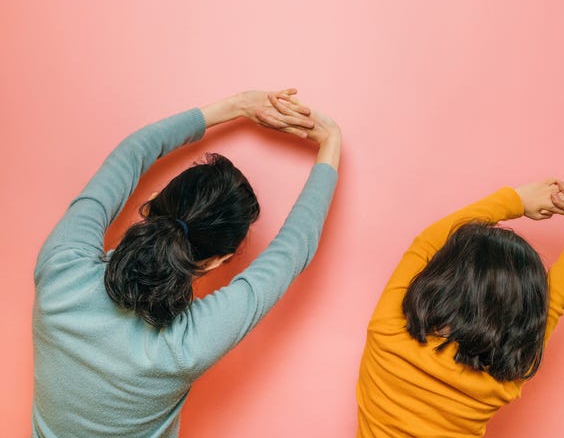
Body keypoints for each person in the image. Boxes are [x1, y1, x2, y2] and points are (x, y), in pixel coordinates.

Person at [32, 89, 341, 438]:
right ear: (216, 262)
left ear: (150, 203)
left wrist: (234, 107)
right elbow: (292, 250)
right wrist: (330, 140)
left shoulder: (61, 268)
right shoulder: (187, 344)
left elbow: (132, 153)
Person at [356, 179, 564, 437]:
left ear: (441, 276)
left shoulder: (387, 331)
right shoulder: (511, 365)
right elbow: (554, 303)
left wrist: (516, 201)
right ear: (527, 313)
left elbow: (425, 243)